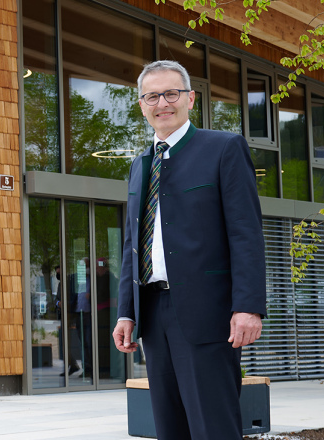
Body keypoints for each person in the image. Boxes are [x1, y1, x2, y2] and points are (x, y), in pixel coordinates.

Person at [111, 60, 267, 439]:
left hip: (208, 315)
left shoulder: (224, 148)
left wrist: (248, 306)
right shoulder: (140, 165)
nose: (162, 102)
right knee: (169, 426)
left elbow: (246, 233)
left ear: (190, 99)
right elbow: (133, 243)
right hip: (153, 312)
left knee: (213, 425)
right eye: (152, 96)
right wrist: (126, 312)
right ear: (141, 104)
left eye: (171, 93)